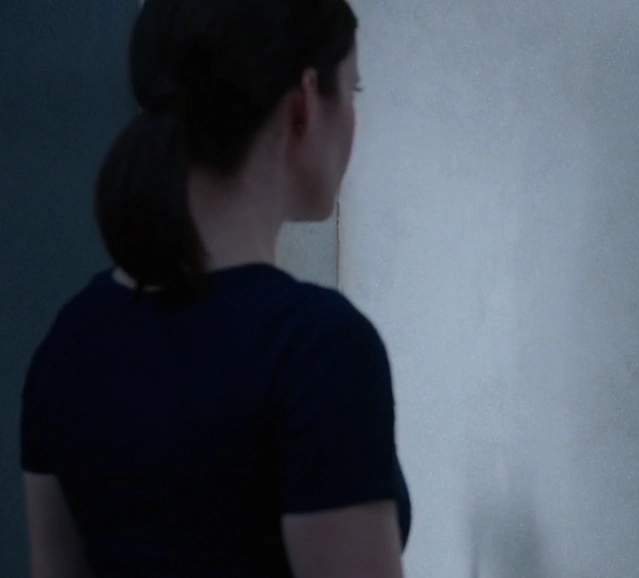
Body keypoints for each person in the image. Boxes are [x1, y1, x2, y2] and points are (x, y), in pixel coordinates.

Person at [19, 1, 409, 577]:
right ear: (303, 102)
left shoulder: (69, 341)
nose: (354, 117)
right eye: (352, 90)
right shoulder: (317, 348)